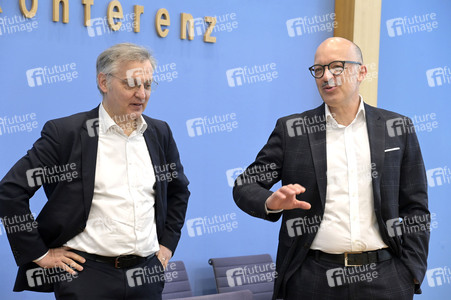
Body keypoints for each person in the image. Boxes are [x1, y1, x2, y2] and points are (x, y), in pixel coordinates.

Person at [233, 37, 429, 300]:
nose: (326, 76)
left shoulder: (397, 128)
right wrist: (272, 201)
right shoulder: (293, 130)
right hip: (312, 278)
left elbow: (416, 206)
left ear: (361, 71)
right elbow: (245, 185)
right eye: (319, 69)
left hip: (384, 277)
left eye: (336, 66)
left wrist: (411, 271)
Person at [0, 43, 190, 299]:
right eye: (132, 84)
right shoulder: (65, 133)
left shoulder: (160, 132)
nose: (141, 94)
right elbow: (10, 192)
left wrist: (167, 245)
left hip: (147, 275)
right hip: (86, 278)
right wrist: (39, 254)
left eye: (147, 85)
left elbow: (178, 191)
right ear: (104, 82)